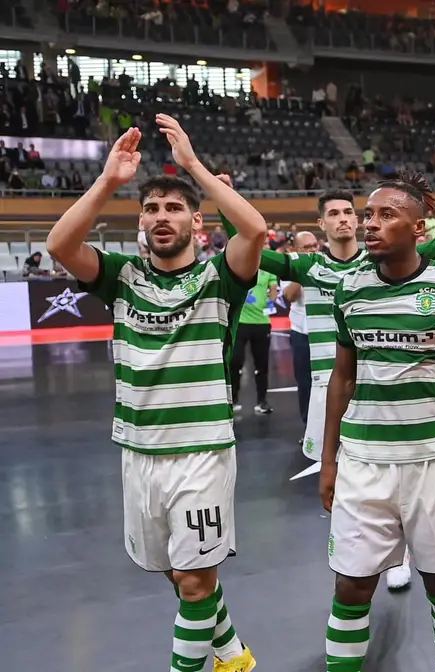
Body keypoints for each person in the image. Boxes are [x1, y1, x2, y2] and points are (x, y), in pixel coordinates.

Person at [45, 119, 263, 672]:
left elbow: (256, 230)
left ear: (197, 220)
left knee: (194, 581)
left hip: (202, 450)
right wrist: (107, 183)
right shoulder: (120, 276)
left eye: (173, 208)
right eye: (151, 209)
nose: (161, 217)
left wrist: (191, 166)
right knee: (178, 572)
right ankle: (234, 655)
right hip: (139, 451)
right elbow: (59, 244)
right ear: (140, 222)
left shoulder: (221, 277)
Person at [219, 172, 435, 591]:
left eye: (348, 213)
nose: (343, 220)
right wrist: (225, 202)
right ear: (322, 224)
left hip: (374, 385)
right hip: (330, 386)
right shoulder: (309, 266)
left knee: (399, 474)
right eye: (333, 214)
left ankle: (401, 554)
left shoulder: (380, 261)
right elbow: (253, 252)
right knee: (341, 478)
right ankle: (362, 545)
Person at [319, 180, 435, 672]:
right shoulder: (350, 288)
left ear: (418, 228)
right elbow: (343, 376)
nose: (369, 224)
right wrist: (328, 459)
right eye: (368, 214)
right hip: (363, 460)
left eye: (385, 215)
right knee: (351, 584)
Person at [230, 243, 277, 414]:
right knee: (235, 362)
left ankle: (262, 401)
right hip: (240, 322)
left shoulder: (268, 269)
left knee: (262, 365)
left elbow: (273, 288)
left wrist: (271, 303)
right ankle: (233, 399)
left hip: (261, 322)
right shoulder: (240, 264)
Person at [284, 231, 320, 423]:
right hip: (301, 332)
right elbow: (289, 296)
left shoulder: (326, 263)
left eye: (314, 245)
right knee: (305, 382)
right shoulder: (289, 267)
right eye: (307, 247)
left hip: (326, 332)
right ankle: (308, 428)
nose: (312, 250)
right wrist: (302, 270)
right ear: (295, 250)